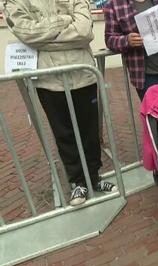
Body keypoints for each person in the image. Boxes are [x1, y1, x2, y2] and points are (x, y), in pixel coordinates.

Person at [3, 0, 117, 206]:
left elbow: (84, 32)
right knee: (64, 134)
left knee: (90, 132)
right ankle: (77, 182)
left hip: (83, 75)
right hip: (50, 81)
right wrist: (64, 21)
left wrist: (45, 35)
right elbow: (26, 34)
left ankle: (94, 177)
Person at [104, 0, 158, 100]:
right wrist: (126, 41)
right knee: (154, 113)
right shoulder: (113, 5)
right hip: (146, 76)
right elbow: (109, 39)